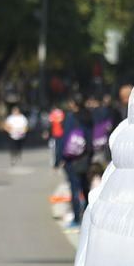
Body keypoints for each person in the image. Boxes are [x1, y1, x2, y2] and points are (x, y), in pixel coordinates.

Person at [61, 97, 94, 231]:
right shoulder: (88, 117)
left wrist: (60, 158)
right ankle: (88, 213)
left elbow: (65, 139)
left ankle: (76, 218)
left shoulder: (71, 118)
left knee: (75, 188)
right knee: (85, 186)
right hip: (86, 156)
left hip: (72, 158)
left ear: (73, 104)